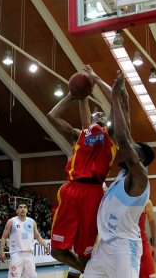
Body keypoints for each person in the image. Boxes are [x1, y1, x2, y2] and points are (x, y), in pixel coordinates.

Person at [47, 65, 118, 277]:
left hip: (93, 193)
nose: (98, 117)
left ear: (107, 121)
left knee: (85, 252)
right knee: (57, 251)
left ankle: (89, 270)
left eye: (102, 116)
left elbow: (117, 104)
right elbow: (52, 116)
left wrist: (95, 78)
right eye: (95, 116)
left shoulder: (112, 136)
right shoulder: (80, 134)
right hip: (72, 188)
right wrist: (73, 95)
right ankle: (92, 272)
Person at [84, 71, 155, 278]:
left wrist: (115, 97)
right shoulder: (124, 173)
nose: (129, 148)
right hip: (104, 247)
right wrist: (100, 80)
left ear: (139, 159)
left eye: (135, 149)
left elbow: (124, 140)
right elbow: (124, 118)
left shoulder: (140, 177)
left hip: (124, 249)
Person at [0, 201, 49, 278]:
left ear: (27, 210)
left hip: (29, 255)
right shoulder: (12, 221)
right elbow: (4, 237)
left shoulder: (32, 222)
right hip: (16, 255)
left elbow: (38, 236)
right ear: (17, 210)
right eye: (20, 207)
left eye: (25, 207)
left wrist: (45, 245)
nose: (23, 209)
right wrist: (1, 251)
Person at [139, 199, 156, 278]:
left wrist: (154, 246)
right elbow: (152, 222)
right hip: (127, 245)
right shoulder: (146, 201)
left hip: (142, 244)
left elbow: (152, 222)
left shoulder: (146, 202)